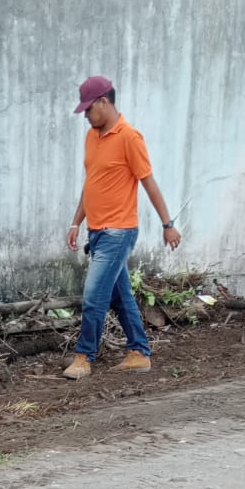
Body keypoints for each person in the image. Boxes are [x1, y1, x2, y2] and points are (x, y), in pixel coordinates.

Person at [63, 76, 181, 381]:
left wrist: (167, 224)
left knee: (93, 296)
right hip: (97, 231)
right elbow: (91, 185)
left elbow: (149, 182)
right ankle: (139, 353)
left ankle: (83, 357)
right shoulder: (92, 137)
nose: (86, 116)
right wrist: (77, 221)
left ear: (104, 102)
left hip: (118, 232)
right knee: (120, 296)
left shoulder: (130, 137)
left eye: (88, 109)